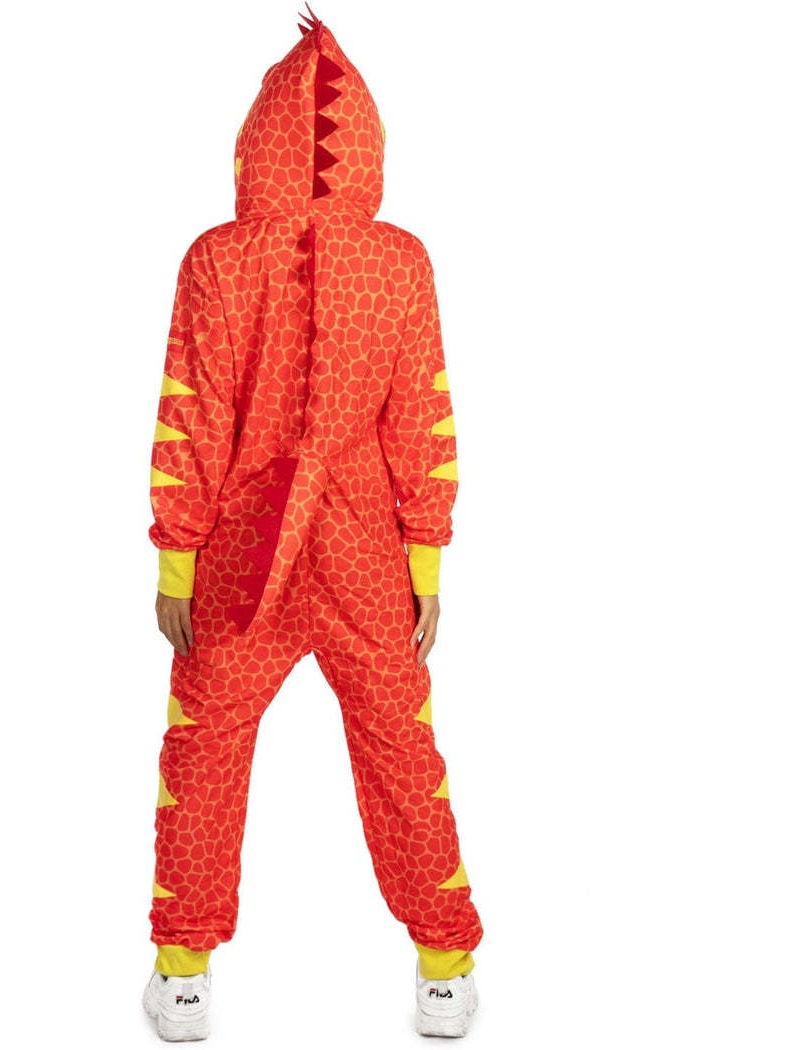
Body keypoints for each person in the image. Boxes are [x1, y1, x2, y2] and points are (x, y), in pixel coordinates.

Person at [141, 5, 483, 1040]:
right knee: (399, 750)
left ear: (255, 143)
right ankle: (444, 966)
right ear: (366, 145)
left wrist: (177, 560)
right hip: (364, 552)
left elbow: (190, 416)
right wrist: (425, 560)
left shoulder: (216, 259)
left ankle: (183, 972)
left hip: (239, 553)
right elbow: (423, 419)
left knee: (204, 750)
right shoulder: (401, 262)